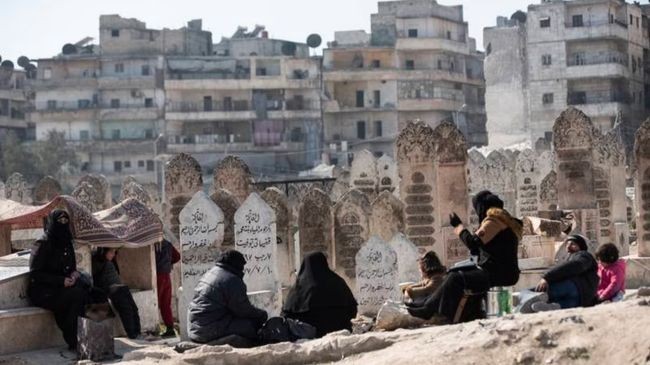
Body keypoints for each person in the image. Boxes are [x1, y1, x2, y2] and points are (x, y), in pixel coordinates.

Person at [408, 190, 522, 323]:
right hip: (501, 272)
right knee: (455, 274)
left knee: (455, 278)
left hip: (497, 274)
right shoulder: (504, 222)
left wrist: (458, 226)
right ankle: (433, 307)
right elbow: (482, 249)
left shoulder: (493, 221)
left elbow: (473, 243)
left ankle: (429, 310)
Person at [28, 209, 91, 349]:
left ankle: (89, 336)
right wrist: (60, 281)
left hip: (62, 288)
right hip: (43, 291)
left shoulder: (66, 241)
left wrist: (74, 274)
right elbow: (35, 274)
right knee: (76, 295)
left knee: (90, 291)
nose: (63, 225)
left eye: (65, 222)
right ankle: (73, 340)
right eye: (59, 222)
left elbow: (72, 267)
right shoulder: (42, 243)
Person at [187, 250, 268, 345]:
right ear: (237, 265)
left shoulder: (211, 273)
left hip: (195, 329)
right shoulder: (232, 280)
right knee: (251, 326)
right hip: (207, 330)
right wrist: (262, 315)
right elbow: (243, 310)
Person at [282, 252, 357, 337]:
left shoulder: (298, 288)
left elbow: (286, 315)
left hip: (309, 334)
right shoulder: (338, 282)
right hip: (340, 329)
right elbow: (353, 309)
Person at [534, 235, 598, 310]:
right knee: (558, 305)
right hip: (580, 300)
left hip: (574, 288)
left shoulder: (583, 255)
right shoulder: (571, 257)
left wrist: (546, 277)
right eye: (567, 244)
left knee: (532, 292)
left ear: (580, 246)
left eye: (573, 244)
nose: (568, 246)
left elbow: (575, 266)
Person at [91, 247, 141, 339]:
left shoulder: (110, 262)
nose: (113, 254)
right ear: (103, 251)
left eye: (114, 252)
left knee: (134, 308)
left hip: (121, 288)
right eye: (111, 252)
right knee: (126, 309)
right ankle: (132, 334)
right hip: (111, 290)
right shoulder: (98, 263)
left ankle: (138, 332)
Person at [155, 237, 180, 337]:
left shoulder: (152, 243)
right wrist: (168, 263)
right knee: (165, 303)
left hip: (157, 276)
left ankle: (154, 327)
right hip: (166, 275)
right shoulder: (168, 243)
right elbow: (177, 256)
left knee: (156, 302)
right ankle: (170, 329)